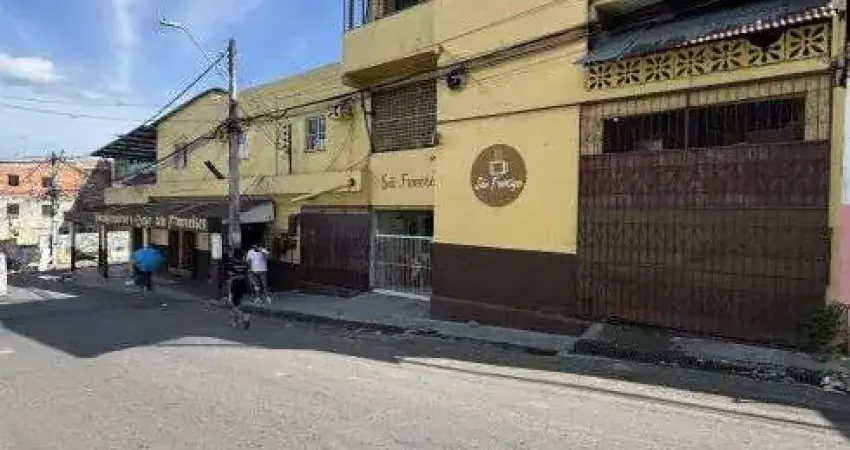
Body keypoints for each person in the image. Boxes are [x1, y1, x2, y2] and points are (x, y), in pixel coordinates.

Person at [224, 248, 251, 330]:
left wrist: (228, 291)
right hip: (243, 285)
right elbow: (247, 275)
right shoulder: (245, 264)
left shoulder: (231, 263)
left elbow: (230, 277)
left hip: (235, 285)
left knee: (233, 304)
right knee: (237, 303)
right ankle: (233, 322)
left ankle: (244, 318)